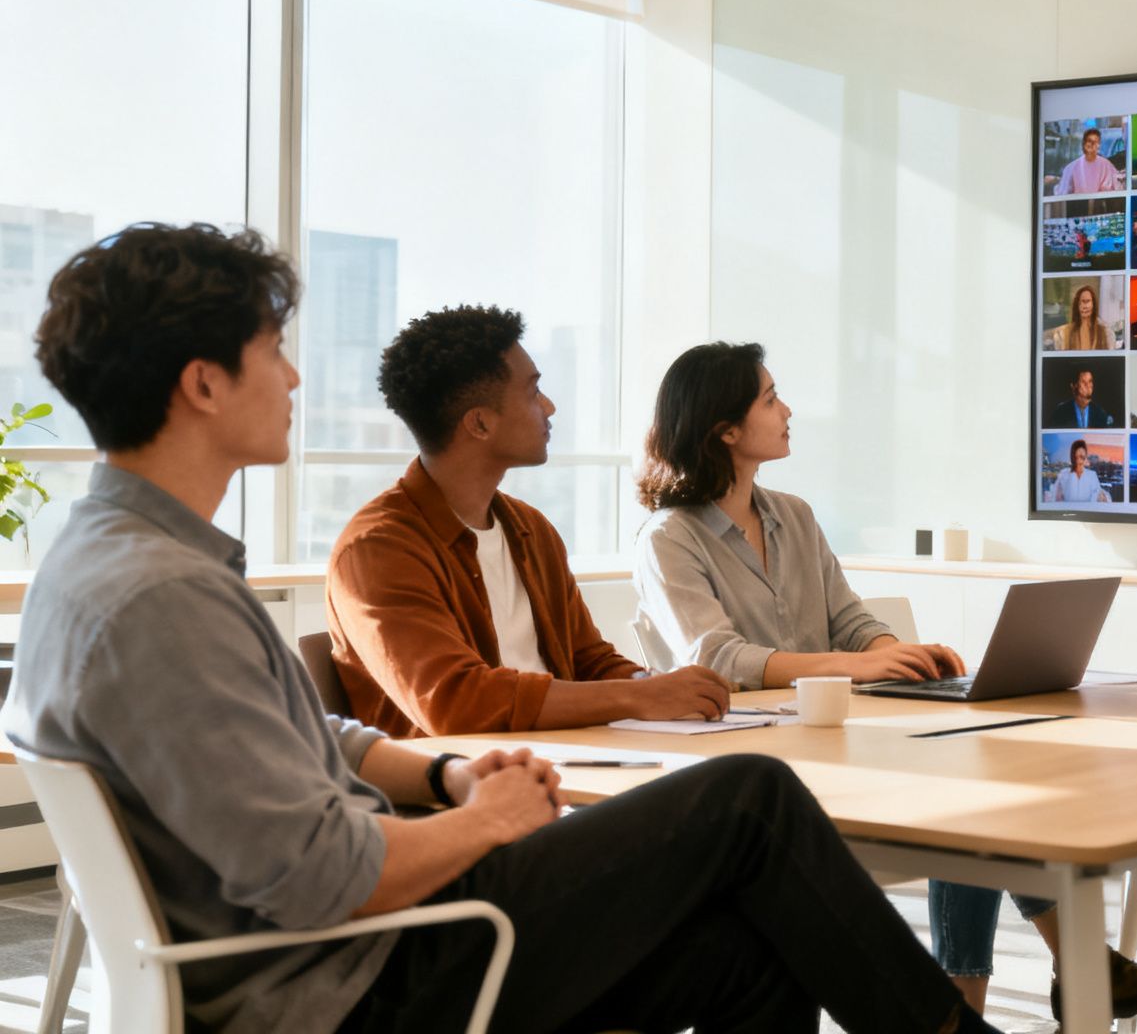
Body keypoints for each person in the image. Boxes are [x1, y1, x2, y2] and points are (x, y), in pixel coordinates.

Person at [3, 222, 1002, 1034]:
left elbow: (316, 742)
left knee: (752, 955)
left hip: (359, 939)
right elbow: (320, 879)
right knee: (747, 797)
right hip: (354, 985)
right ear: (203, 383)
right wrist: (485, 819)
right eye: (273, 352)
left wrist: (445, 778)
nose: (297, 380)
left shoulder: (118, 563)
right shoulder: (161, 599)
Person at [630, 343, 1137, 1021]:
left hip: (831, 738)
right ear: (724, 428)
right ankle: (1047, 974)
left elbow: (850, 620)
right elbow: (716, 657)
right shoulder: (670, 537)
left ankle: (983, 996)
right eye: (771, 398)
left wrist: (902, 656)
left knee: (971, 777)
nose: (787, 410)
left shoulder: (795, 516)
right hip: (747, 767)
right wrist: (856, 665)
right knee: (958, 800)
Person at [321, 307, 730, 738]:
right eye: (534, 391)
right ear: (479, 422)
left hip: (570, 762)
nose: (549, 406)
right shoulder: (377, 549)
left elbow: (588, 661)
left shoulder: (530, 529)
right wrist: (641, 699)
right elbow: (454, 703)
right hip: (466, 790)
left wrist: (656, 687)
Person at [1053, 126, 1124, 195]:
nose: (1092, 144)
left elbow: (1118, 188)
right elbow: (1062, 193)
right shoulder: (1071, 168)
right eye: (1090, 141)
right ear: (1084, 143)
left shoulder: (1106, 165)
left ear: (1098, 145)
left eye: (1095, 142)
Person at [1047, 283, 1113, 351]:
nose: (1083, 307)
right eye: (1079, 303)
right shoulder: (1063, 333)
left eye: (1086, 301)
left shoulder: (1106, 333)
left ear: (1093, 304)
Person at [1050, 365, 1116, 428]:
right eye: (1083, 382)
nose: (1088, 386)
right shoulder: (1061, 412)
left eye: (1090, 381)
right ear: (1073, 386)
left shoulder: (1101, 414)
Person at [1049, 439, 1110, 503]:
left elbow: (1099, 494)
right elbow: (1055, 496)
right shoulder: (1064, 473)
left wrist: (1103, 497)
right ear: (1073, 456)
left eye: (1082, 456)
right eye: (1077, 456)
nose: (1079, 460)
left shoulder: (1092, 475)